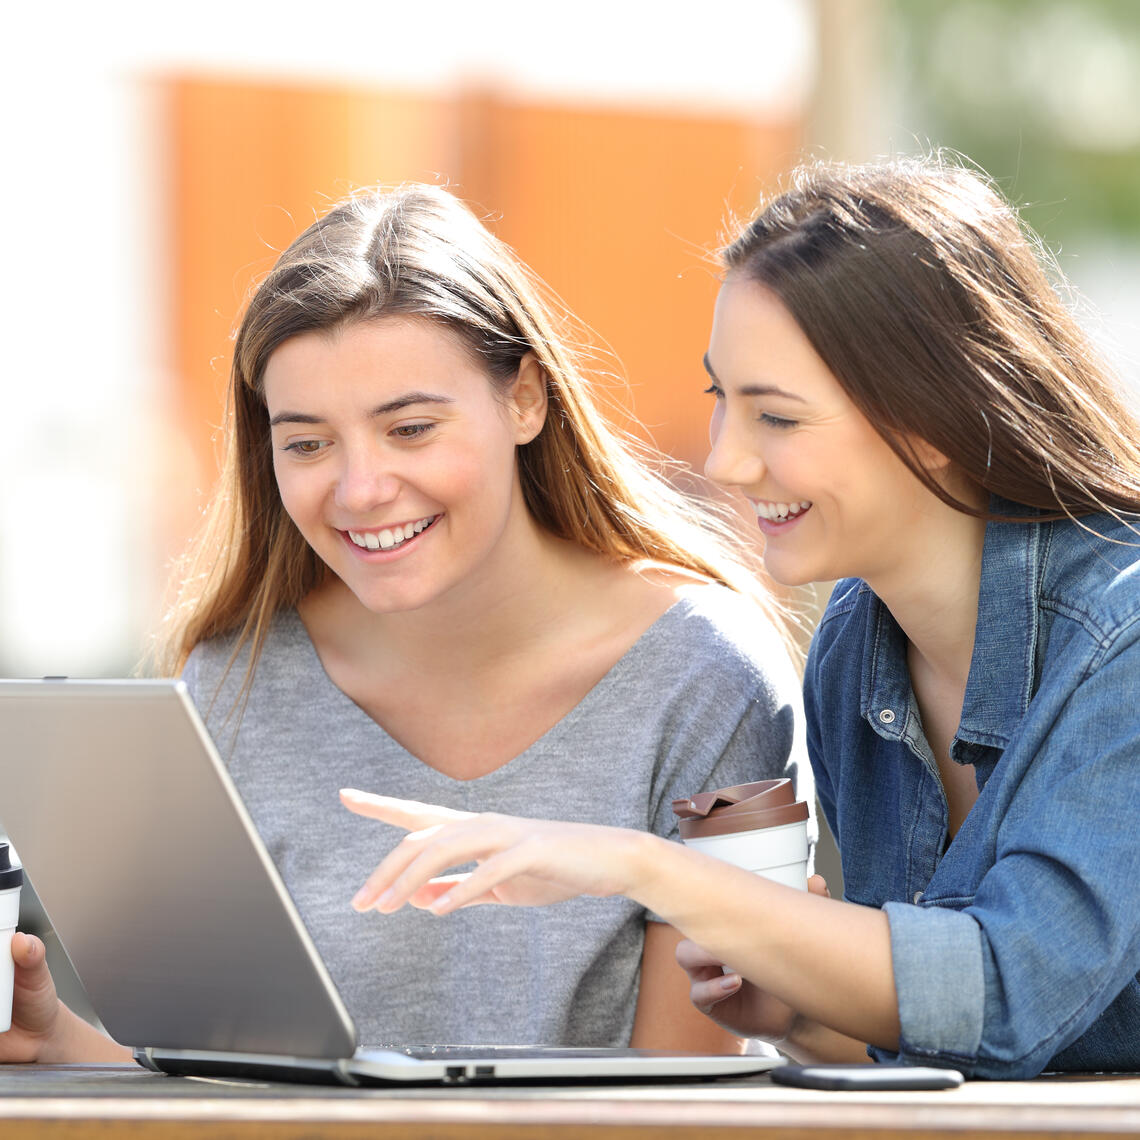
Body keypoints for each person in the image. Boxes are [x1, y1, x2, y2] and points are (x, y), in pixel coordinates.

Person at [340, 155, 1140, 1080]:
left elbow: (1009, 994)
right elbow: (955, 1048)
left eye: (779, 419)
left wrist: (653, 869)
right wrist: (793, 1008)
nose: (725, 461)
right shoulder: (857, 646)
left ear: (934, 417)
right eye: (726, 400)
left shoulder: (1120, 640)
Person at [1, 184, 808, 1062]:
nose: (359, 489)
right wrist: (60, 1043)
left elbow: (693, 1093)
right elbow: (224, 1088)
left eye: (411, 429)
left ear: (526, 400)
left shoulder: (710, 675)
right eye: (307, 443)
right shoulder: (236, 679)